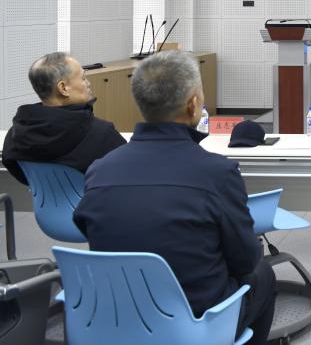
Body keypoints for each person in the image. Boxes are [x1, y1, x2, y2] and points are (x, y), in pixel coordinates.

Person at [72, 51, 276, 345]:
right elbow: (244, 261)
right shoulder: (218, 172)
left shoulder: (99, 169)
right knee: (263, 274)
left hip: (115, 313)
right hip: (194, 322)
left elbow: (88, 230)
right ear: (193, 105)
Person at [1, 52, 125, 185]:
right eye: (83, 78)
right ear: (63, 88)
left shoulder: (16, 135)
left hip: (43, 199)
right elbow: (126, 173)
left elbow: (14, 166)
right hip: (93, 198)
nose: (88, 83)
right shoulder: (102, 134)